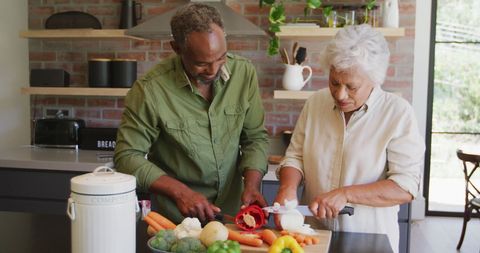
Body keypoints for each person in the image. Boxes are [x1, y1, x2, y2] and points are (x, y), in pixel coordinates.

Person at [273, 24, 425, 253]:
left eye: (351, 87)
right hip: (313, 237)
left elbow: (405, 187)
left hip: (369, 240)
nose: (341, 95)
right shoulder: (315, 103)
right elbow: (295, 157)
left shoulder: (398, 114)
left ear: (374, 80)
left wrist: (346, 194)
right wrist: (287, 187)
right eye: (334, 82)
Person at [114, 3, 269, 224]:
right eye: (201, 64)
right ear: (176, 48)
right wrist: (181, 192)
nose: (214, 71)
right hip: (177, 222)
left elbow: (255, 138)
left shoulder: (243, 74)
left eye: (221, 58)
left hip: (233, 218)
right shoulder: (150, 90)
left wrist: (252, 185)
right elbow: (127, 156)